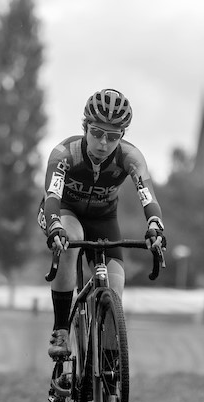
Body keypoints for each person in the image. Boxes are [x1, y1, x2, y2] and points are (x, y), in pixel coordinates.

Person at [38, 88, 166, 363]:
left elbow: (147, 195)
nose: (103, 143)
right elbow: (52, 196)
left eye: (113, 136)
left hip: (104, 218)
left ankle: (108, 368)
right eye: (97, 133)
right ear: (85, 127)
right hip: (65, 211)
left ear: (122, 136)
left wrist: (155, 226)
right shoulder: (65, 153)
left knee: (115, 287)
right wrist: (55, 226)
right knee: (71, 239)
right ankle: (61, 330)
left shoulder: (130, 157)